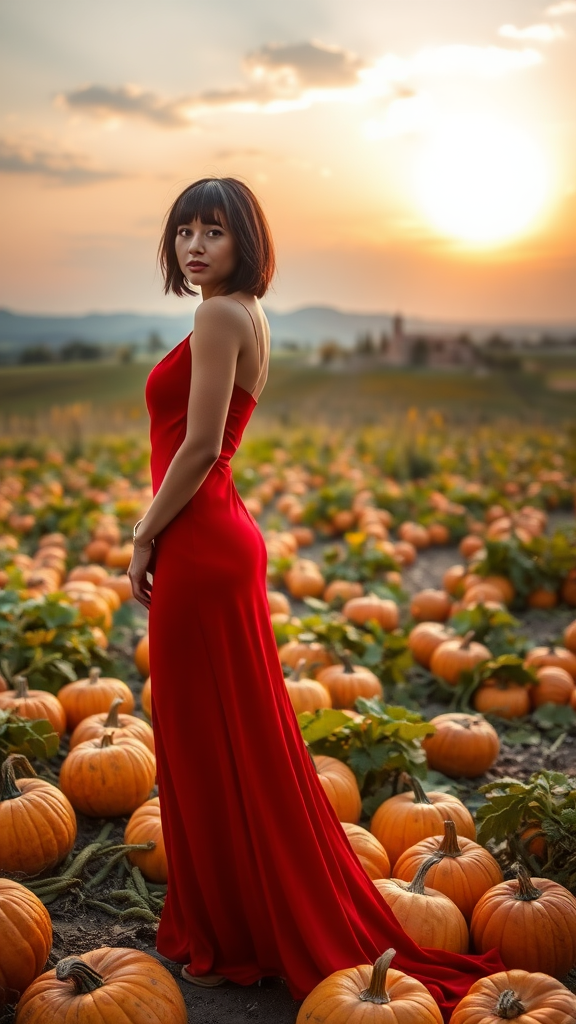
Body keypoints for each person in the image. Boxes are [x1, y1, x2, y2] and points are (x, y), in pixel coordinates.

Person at [128, 176, 504, 1021]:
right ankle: (241, 925)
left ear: (244, 242)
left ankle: (229, 941)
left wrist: (146, 533)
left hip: (198, 537)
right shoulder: (248, 315)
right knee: (233, 739)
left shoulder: (219, 315)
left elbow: (195, 450)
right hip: (220, 538)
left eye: (213, 232)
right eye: (183, 230)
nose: (194, 246)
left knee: (204, 740)